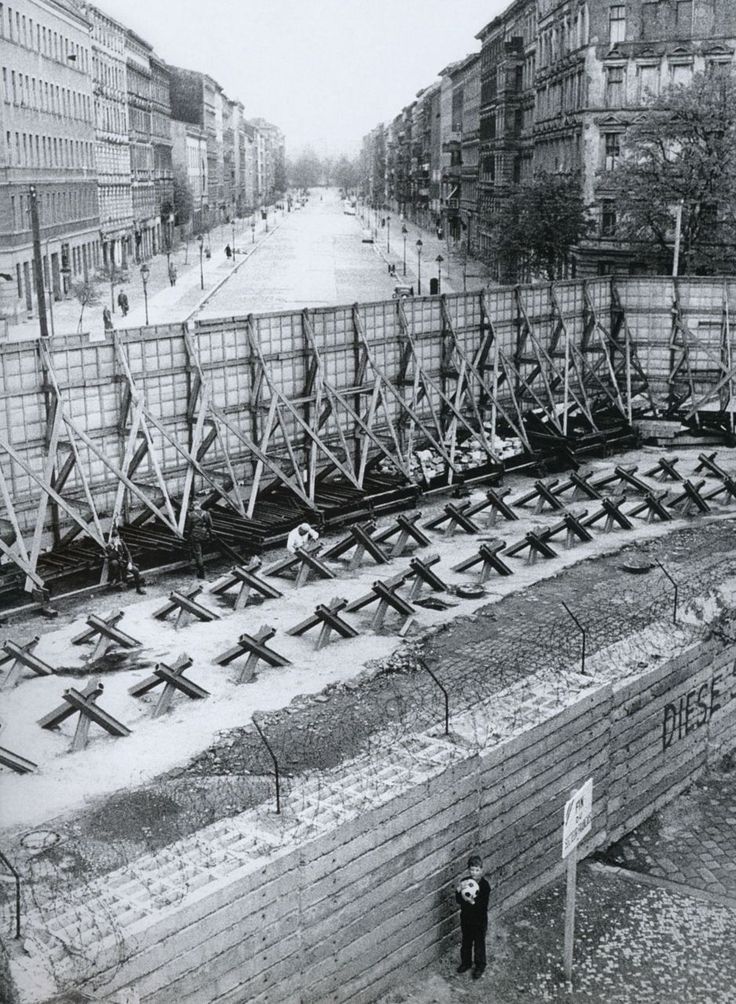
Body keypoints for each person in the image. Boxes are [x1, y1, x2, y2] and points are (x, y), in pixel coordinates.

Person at [455, 854, 490, 979]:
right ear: (468, 870)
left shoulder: (485, 886)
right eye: (471, 870)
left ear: (481, 870)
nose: (474, 872)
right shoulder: (465, 882)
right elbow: (458, 900)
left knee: (479, 943)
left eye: (477, 870)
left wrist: (470, 900)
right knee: (466, 942)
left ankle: (480, 966)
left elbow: (483, 906)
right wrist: (459, 891)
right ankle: (466, 963)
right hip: (466, 918)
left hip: (479, 921)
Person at [106, 530, 145, 594]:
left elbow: (128, 553)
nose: (116, 539)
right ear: (112, 539)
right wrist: (115, 548)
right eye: (114, 538)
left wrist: (129, 563)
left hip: (124, 563)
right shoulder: (109, 546)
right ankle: (116, 579)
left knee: (136, 570)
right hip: (117, 565)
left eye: (117, 538)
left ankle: (138, 589)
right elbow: (112, 556)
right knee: (114, 563)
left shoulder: (122, 543)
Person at [186, 501, 213, 578]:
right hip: (205, 535)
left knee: (198, 553)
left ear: (193, 506)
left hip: (195, 536)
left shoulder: (190, 515)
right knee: (202, 551)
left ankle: (201, 573)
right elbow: (211, 525)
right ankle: (203, 566)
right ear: (199, 505)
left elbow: (188, 528)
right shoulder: (206, 513)